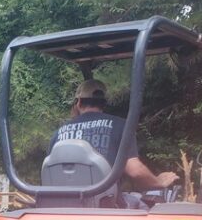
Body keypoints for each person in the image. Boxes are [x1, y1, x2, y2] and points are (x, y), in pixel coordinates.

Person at [49, 80, 179, 190]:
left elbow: (50, 173)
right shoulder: (120, 126)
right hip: (105, 205)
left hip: (64, 204)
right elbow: (135, 170)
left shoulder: (58, 133)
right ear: (104, 103)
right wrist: (158, 182)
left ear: (78, 103)